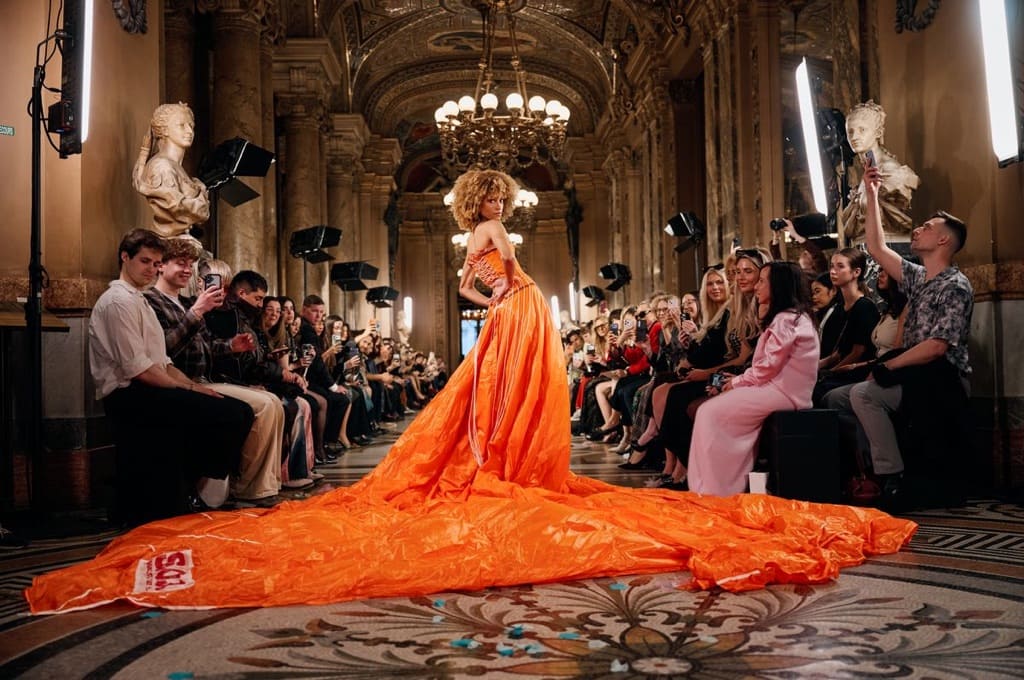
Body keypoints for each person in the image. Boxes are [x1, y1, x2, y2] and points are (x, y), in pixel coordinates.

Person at [25, 175, 917, 615]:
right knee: (503, 397)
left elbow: (467, 284)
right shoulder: (492, 232)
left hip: (518, 310)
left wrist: (496, 294)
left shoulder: (485, 232)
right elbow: (470, 286)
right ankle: (503, 463)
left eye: (493, 198)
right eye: (492, 196)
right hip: (519, 311)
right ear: (484, 201)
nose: (496, 204)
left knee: (507, 397)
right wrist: (501, 294)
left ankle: (505, 461)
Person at [87, 229, 253, 524]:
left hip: (153, 385)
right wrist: (187, 389)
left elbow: (163, 361)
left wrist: (195, 388)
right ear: (125, 257)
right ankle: (192, 487)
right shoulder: (117, 301)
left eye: (155, 263)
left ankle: (192, 483)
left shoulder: (139, 300)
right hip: (128, 394)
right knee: (228, 414)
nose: (151, 269)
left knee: (239, 411)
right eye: (145, 261)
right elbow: (140, 370)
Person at [843, 162, 973, 506]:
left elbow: (937, 347)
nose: (917, 230)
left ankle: (892, 477)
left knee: (864, 394)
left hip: (944, 379)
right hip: (917, 374)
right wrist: (871, 194)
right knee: (840, 397)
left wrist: (889, 365)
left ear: (944, 240)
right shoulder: (919, 277)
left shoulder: (955, 285)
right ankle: (864, 473)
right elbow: (876, 247)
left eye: (927, 227)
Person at [144, 239, 286, 502]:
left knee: (274, 402)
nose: (187, 270)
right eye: (181, 263)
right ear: (161, 266)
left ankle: (264, 485)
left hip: (205, 378)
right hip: (182, 380)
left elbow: (207, 345)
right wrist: (197, 312)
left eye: (190, 265)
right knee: (264, 406)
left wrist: (231, 346)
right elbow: (164, 348)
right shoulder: (151, 301)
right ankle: (245, 486)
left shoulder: (185, 302)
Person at [687, 261, 820, 496]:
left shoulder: (787, 319)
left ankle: (715, 489)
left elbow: (767, 366)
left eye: (761, 281)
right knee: (709, 410)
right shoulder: (789, 317)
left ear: (778, 285)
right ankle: (711, 486)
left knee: (709, 412)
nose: (756, 286)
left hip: (784, 392)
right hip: (777, 388)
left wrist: (736, 382)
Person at [839, 100, 920, 243]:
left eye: (862, 130)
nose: (854, 137)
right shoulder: (867, 174)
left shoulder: (891, 171)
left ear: (878, 132)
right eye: (850, 131)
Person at [132, 103, 210, 239]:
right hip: (170, 241)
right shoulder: (162, 167)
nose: (189, 131)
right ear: (165, 130)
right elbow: (180, 208)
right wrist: (201, 200)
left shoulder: (176, 167)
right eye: (181, 125)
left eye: (191, 126)